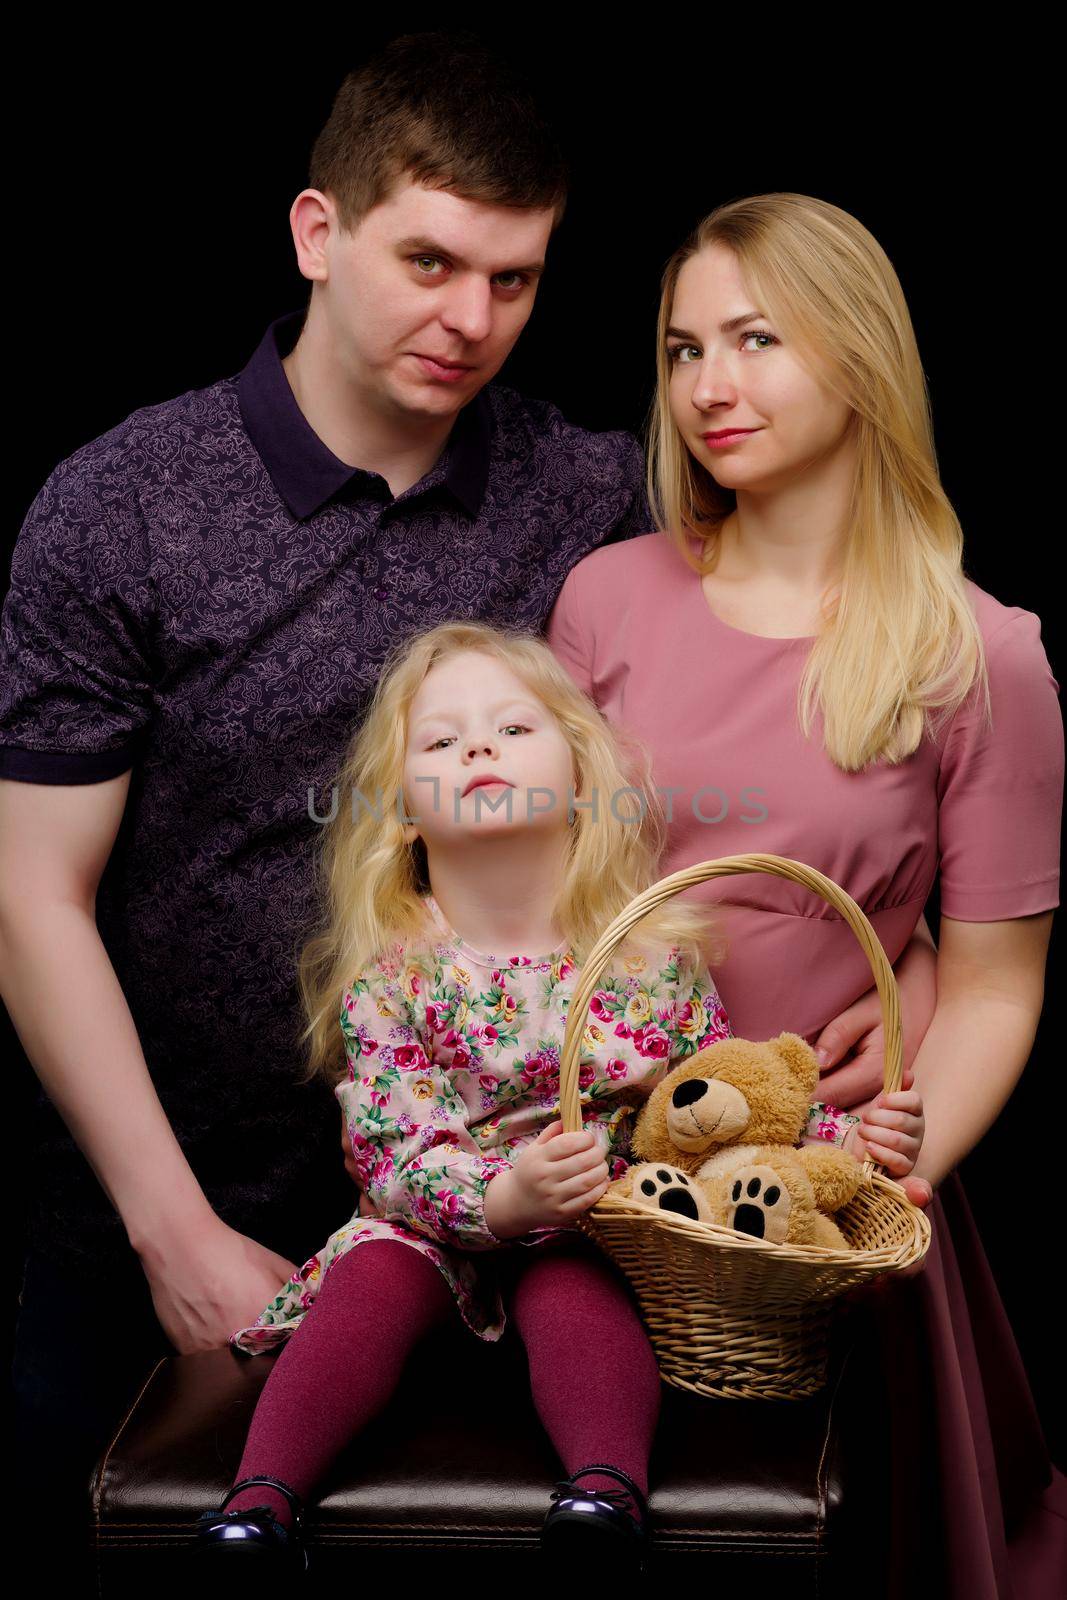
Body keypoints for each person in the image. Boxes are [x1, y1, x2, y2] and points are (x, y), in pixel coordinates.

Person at [0, 33, 652, 1581]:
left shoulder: (588, 493)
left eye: (514, 279)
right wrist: (172, 1232)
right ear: (316, 232)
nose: (469, 318)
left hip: (520, 1205)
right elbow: (31, 896)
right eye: (428, 260)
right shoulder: (124, 505)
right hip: (179, 1204)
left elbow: (784, 636)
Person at [544, 191, 1066, 1597]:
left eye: (756, 339)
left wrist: (862, 1203)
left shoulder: (979, 653)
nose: (708, 385)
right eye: (679, 348)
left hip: (826, 1195)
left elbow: (1000, 981)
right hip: (610, 1186)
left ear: (857, 353)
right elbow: (545, 905)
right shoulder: (604, 599)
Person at [191, 618, 926, 1579]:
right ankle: (259, 1506)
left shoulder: (651, 963)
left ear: (579, 781)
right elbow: (390, 1145)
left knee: (575, 1283)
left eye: (512, 728)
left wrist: (853, 1140)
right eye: (442, 741)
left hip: (587, 1218)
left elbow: (719, 1104)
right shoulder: (397, 977)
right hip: (433, 1222)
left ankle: (603, 1494)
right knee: (370, 1279)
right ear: (402, 810)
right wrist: (499, 1200)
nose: (480, 748)